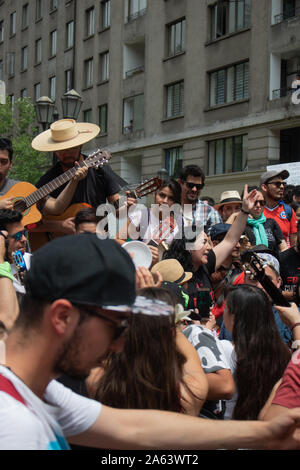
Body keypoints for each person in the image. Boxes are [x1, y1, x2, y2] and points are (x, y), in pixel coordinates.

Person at [2, 235, 300, 449]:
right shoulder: (16, 427)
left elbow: (133, 427)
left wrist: (264, 433)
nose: (119, 345)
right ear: (63, 317)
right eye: (116, 328)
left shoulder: (36, 389)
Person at [90, 287, 208, 417]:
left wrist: (137, 303)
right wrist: (158, 309)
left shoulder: (97, 384)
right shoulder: (192, 392)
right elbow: (191, 364)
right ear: (171, 334)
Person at [30, 118, 133, 238]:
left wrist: (127, 207)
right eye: (60, 150)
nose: (66, 153)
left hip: (95, 240)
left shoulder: (100, 169)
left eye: (71, 148)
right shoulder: (47, 180)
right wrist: (59, 226)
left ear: (80, 145)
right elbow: (30, 225)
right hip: (59, 244)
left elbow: (118, 211)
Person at [164, 185, 258, 313]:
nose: (209, 247)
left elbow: (230, 240)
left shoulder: (205, 265)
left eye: (208, 242)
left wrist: (245, 211)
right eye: (204, 243)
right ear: (190, 248)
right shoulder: (174, 276)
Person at [222, 285, 291, 420]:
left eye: (226, 308)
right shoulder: (284, 352)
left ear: (234, 318)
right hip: (267, 427)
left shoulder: (226, 349)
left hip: (231, 430)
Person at [117, 178, 182, 265]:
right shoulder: (141, 216)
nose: (165, 201)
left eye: (171, 198)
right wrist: (142, 249)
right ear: (155, 194)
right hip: (140, 271)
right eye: (162, 195)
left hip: (164, 273)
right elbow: (116, 240)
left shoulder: (179, 224)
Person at [242, 186, 287, 254]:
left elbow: (283, 248)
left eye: (262, 202)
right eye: (254, 202)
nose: (258, 205)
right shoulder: (240, 225)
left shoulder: (271, 222)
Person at [178, 165, 222, 234]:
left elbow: (217, 240)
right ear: (180, 183)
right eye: (190, 185)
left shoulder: (210, 213)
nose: (194, 189)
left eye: (199, 186)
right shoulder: (169, 208)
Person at [260, 169, 298, 248]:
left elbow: (294, 244)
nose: (281, 187)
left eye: (283, 184)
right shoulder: (255, 211)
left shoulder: (288, 211)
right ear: (264, 187)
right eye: (277, 184)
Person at [280, 222, 300, 303]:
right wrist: (283, 293)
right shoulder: (281, 258)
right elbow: (271, 289)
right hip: (288, 306)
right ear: (297, 233)